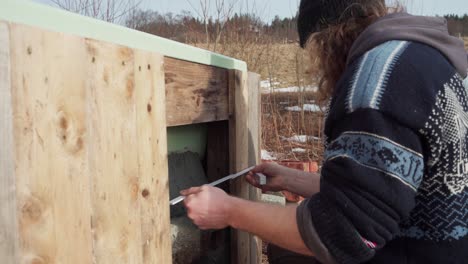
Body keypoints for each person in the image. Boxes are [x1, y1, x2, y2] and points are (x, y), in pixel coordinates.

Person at [181, 0, 468, 263]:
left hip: (416, 254)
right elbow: (390, 183)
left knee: (286, 253)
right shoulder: (422, 59)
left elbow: (342, 233)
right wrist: (293, 179)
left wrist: (228, 211)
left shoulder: (376, 83)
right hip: (446, 247)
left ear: (325, 39)